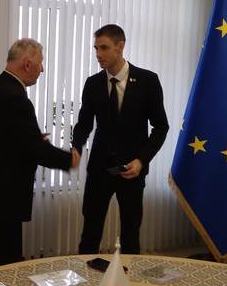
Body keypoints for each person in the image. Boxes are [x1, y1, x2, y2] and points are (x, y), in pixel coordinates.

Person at [0, 38, 79, 269]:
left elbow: (11, 138)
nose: (43, 69)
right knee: (4, 266)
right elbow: (33, 149)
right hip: (3, 197)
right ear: (27, 64)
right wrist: (68, 159)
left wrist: (34, 139)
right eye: (40, 63)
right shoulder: (14, 96)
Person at [72, 24, 168, 255]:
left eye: (104, 48)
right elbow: (84, 124)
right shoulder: (93, 83)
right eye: (96, 48)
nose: (98, 54)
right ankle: (85, 275)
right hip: (99, 170)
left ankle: (128, 276)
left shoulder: (147, 80)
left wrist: (141, 160)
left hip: (132, 169)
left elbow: (161, 127)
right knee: (90, 233)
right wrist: (76, 148)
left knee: (131, 234)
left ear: (120, 46)